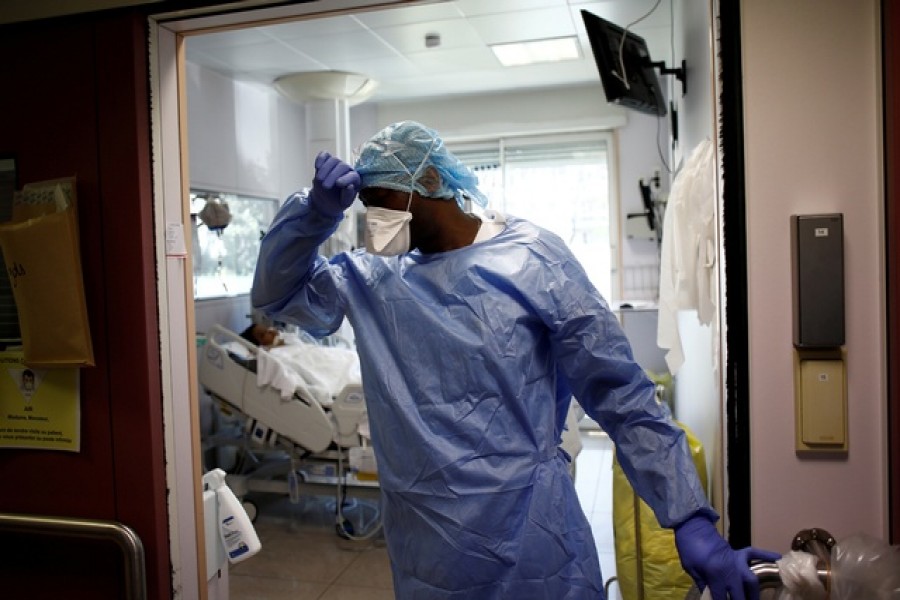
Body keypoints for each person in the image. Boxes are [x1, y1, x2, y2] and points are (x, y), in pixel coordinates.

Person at [251, 121, 779, 599]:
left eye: (382, 199)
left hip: (530, 535)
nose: (375, 219)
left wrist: (688, 517)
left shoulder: (531, 259)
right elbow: (276, 298)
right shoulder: (370, 276)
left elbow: (619, 392)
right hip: (425, 546)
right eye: (365, 205)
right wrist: (313, 215)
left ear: (430, 182)